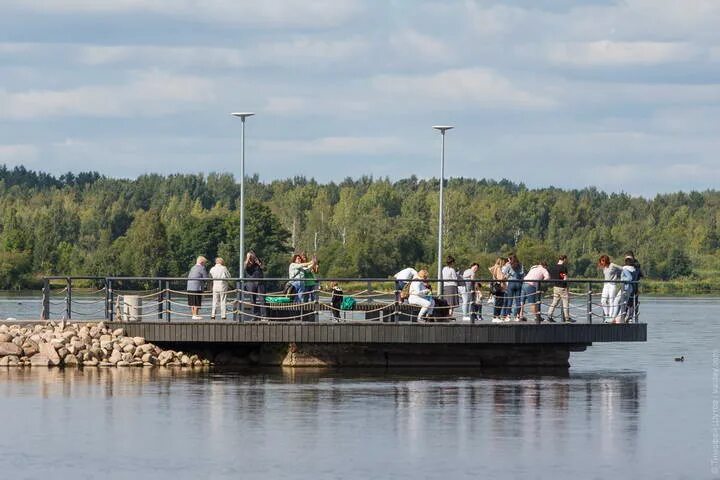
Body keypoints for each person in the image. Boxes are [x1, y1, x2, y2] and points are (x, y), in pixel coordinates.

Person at [546, 255, 573, 323]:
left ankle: (549, 316)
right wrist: (567, 285)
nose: (566, 261)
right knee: (565, 302)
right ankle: (567, 318)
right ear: (564, 259)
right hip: (562, 287)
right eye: (566, 260)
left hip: (555, 287)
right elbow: (565, 278)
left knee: (554, 302)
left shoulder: (553, 267)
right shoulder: (563, 268)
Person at [598, 255, 623, 322]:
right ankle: (607, 315)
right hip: (605, 285)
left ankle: (611, 317)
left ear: (606, 260)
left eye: (603, 261)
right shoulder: (604, 268)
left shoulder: (612, 265)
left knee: (611, 301)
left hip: (612, 285)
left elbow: (622, 268)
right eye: (601, 261)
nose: (602, 263)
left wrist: (620, 276)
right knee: (603, 301)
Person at [501, 254, 524, 321]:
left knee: (510, 300)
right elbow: (522, 274)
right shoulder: (520, 265)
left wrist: (506, 277)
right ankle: (517, 316)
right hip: (518, 283)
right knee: (518, 301)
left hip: (511, 283)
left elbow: (504, 273)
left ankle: (508, 316)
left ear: (510, 259)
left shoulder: (509, 265)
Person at [244, 251, 266, 319]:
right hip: (251, 283)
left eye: (253, 255)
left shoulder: (258, 262)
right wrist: (248, 259)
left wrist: (259, 263)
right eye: (251, 256)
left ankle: (263, 316)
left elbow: (264, 268)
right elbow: (245, 268)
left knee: (262, 299)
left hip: (260, 282)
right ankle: (255, 315)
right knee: (252, 300)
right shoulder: (246, 263)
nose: (252, 257)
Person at [187, 256, 209, 320]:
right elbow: (206, 278)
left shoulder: (193, 267)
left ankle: (193, 315)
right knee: (197, 301)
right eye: (204, 263)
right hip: (197, 287)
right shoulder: (202, 268)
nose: (205, 264)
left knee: (192, 302)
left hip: (189, 287)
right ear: (202, 262)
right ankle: (195, 315)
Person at [618, 257, 639, 323]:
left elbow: (629, 278)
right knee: (631, 303)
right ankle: (629, 318)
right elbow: (640, 277)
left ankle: (624, 317)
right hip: (634, 288)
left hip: (628, 287)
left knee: (627, 303)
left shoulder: (627, 269)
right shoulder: (636, 270)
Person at [624, 251, 643, 322]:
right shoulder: (636, 265)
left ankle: (628, 316)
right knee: (631, 302)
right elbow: (641, 275)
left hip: (631, 286)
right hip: (634, 286)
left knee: (628, 302)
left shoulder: (632, 265)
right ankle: (631, 317)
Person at [488, 257, 507, 323]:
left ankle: (495, 316)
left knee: (497, 301)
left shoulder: (495, 268)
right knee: (499, 302)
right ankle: (496, 316)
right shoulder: (498, 268)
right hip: (500, 287)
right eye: (504, 262)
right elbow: (500, 277)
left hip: (496, 286)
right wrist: (505, 277)